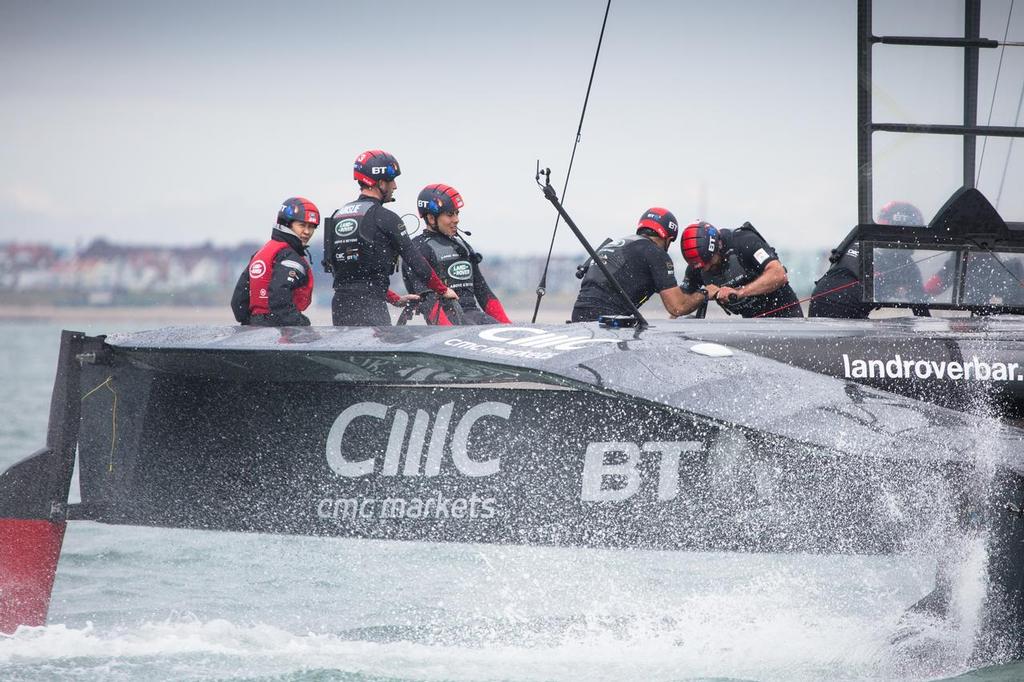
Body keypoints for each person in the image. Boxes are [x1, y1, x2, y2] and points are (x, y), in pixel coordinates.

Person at [324, 149, 457, 326]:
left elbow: (353, 277)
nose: (395, 186)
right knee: (374, 354)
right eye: (392, 180)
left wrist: (395, 299)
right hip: (370, 306)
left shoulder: (338, 215)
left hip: (340, 306)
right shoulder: (385, 218)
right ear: (380, 183)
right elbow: (416, 261)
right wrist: (442, 290)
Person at [402, 183, 511, 325]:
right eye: (449, 214)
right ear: (430, 218)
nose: (456, 219)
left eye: (457, 213)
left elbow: (484, 292)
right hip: (447, 324)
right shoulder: (418, 248)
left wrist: (509, 328)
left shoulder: (462, 245)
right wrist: (449, 334)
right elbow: (428, 303)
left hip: (475, 318)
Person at [808, 200, 927, 318]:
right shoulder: (904, 264)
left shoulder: (860, 238)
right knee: (906, 327)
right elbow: (922, 312)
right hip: (842, 308)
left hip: (819, 298)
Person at [570, 207, 693, 321]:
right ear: (667, 237)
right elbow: (677, 307)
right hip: (605, 318)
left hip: (578, 314)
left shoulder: (621, 244)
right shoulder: (654, 252)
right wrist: (704, 293)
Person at [675, 220, 803, 318]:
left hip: (786, 316)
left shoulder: (744, 242)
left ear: (718, 246)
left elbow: (779, 274)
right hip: (750, 323)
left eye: (709, 262)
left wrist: (740, 292)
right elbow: (679, 306)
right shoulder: (698, 266)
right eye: (701, 266)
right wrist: (702, 294)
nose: (706, 268)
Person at [230, 197, 320, 327]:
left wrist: (250, 324)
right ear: (288, 224)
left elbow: (238, 303)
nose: (307, 232)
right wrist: (301, 324)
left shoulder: (260, 253)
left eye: (311, 227)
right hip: (278, 330)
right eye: (302, 225)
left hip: (253, 328)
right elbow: (279, 298)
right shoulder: (289, 255)